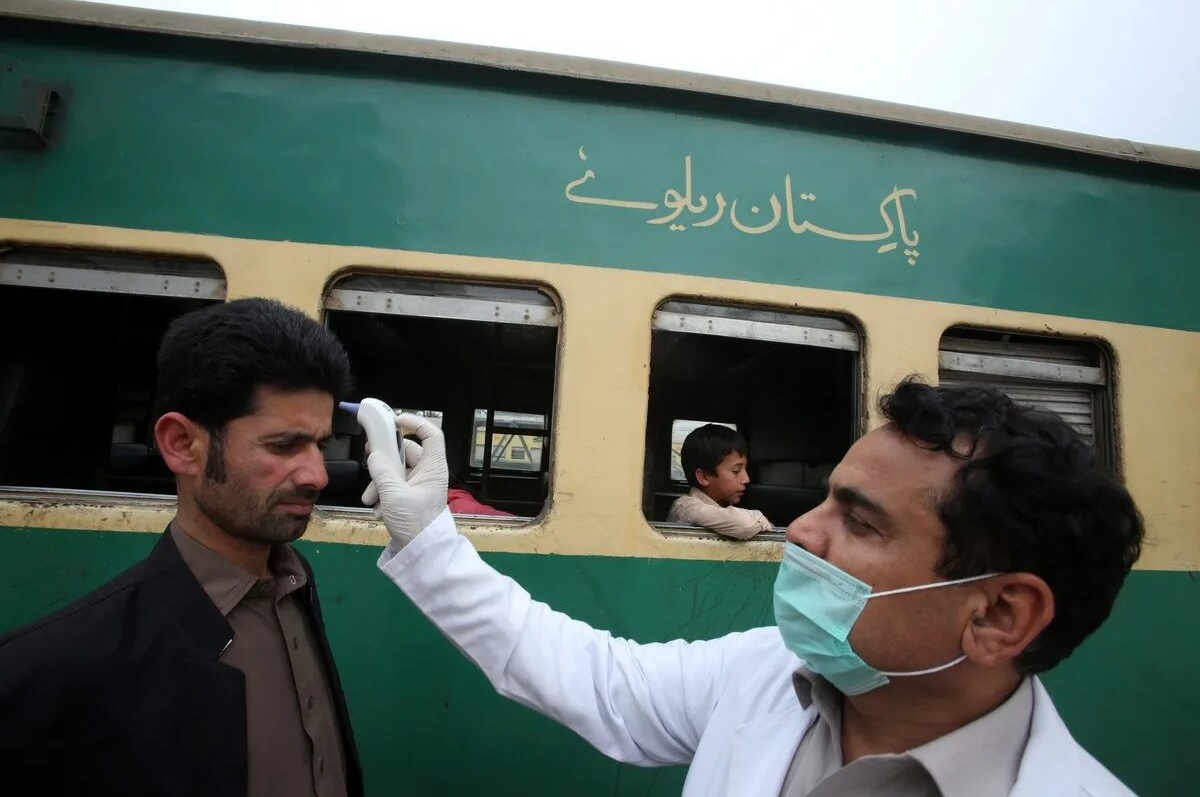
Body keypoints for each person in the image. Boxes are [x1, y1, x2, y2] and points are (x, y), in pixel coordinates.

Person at [364, 378, 1142, 796]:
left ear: (1002, 615)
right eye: (826, 497)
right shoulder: (769, 676)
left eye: (860, 523)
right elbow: (594, 677)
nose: (803, 531)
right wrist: (429, 540)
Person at [0, 298, 362, 797]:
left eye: (321, 445)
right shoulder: (43, 669)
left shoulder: (296, 594)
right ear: (181, 445)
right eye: (283, 446)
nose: (317, 475)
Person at [667, 423, 773, 539]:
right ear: (704, 476)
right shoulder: (685, 507)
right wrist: (761, 519)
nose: (746, 479)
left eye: (745, 469)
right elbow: (744, 525)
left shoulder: (723, 506)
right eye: (736, 471)